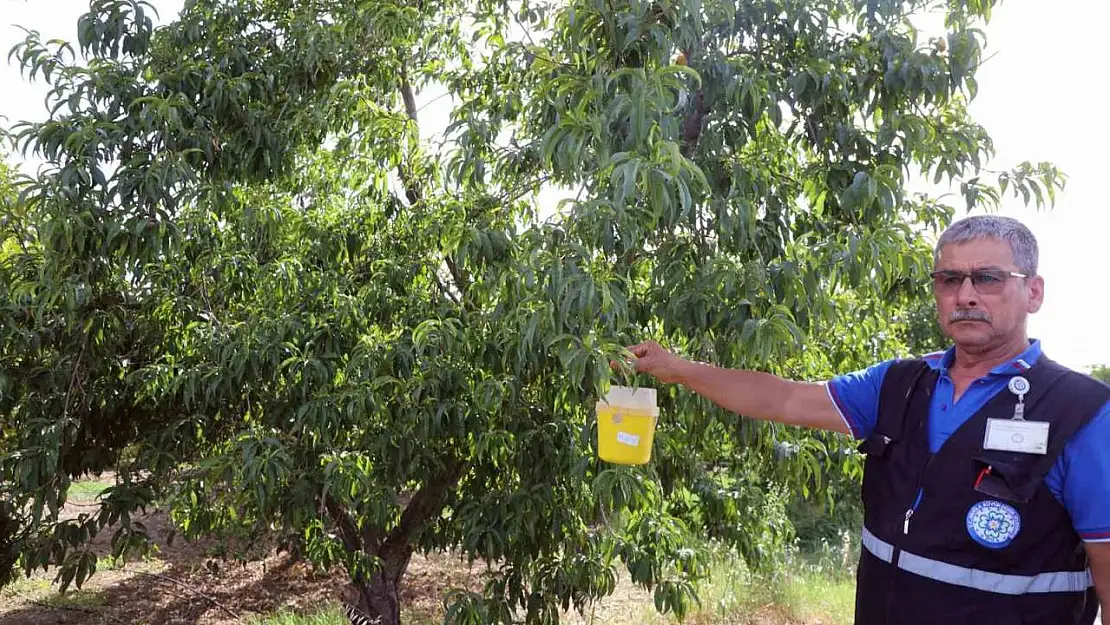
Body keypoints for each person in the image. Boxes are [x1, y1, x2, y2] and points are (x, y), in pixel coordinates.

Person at [625, 215, 1110, 624]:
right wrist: (676, 369)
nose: (965, 294)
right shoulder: (899, 383)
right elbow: (784, 400)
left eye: (987, 278)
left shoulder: (1081, 412)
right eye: (949, 279)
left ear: (1034, 292)